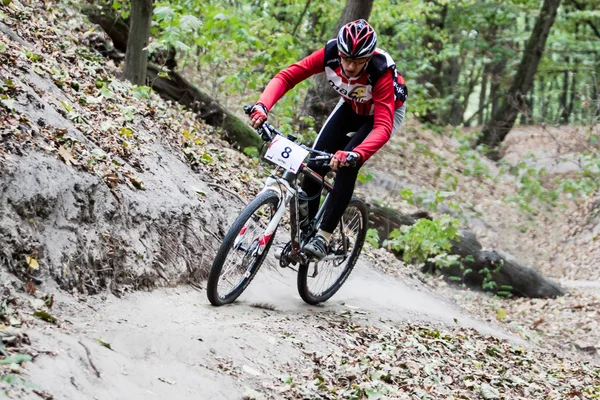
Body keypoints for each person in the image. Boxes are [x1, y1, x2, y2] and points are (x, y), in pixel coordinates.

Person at [248, 19, 408, 260]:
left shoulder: (380, 69)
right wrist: (262, 105)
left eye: (357, 62)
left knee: (347, 166)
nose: (350, 66)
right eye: (346, 59)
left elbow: (383, 127)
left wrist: (355, 154)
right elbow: (287, 76)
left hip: (382, 114)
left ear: (368, 57)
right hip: (352, 106)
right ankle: (307, 232)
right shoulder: (330, 53)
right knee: (314, 166)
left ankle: (323, 236)